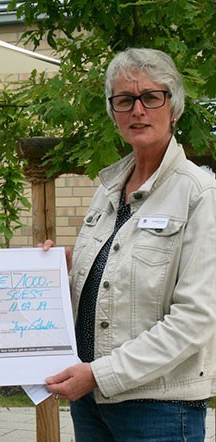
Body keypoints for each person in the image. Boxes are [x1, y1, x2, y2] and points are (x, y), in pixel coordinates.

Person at [44, 48, 216, 441]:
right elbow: (110, 286)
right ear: (113, 112)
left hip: (158, 408)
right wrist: (56, 274)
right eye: (124, 100)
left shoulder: (200, 194)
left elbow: (196, 318)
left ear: (174, 107)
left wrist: (100, 374)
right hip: (91, 402)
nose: (138, 110)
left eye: (151, 97)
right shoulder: (108, 189)